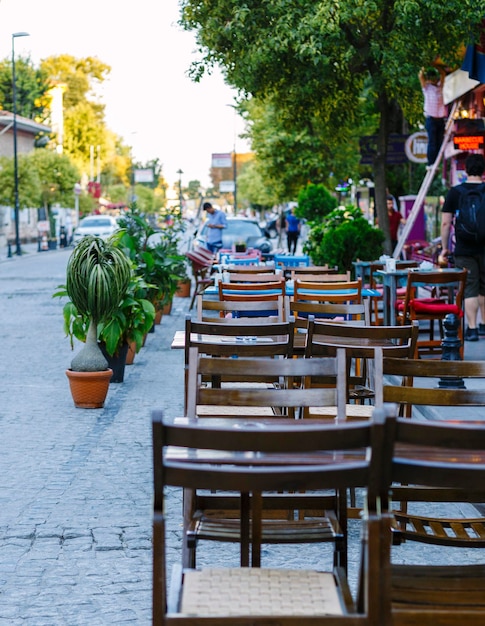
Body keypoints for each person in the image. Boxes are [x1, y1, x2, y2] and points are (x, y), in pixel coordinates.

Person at [440, 153, 485, 341]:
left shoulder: (455, 192)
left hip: (464, 248)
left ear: (466, 170)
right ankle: (484, 325)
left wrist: (444, 248)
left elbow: (445, 223)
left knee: (470, 288)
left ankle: (472, 329)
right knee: (484, 287)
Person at [418, 64, 447, 166]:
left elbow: (443, 74)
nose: (433, 80)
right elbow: (420, 76)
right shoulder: (426, 88)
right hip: (431, 119)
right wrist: (425, 65)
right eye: (431, 78)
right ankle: (431, 163)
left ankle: (436, 163)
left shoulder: (440, 87)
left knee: (439, 142)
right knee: (432, 142)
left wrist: (435, 65)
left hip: (440, 119)